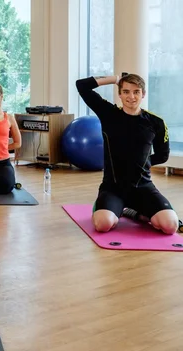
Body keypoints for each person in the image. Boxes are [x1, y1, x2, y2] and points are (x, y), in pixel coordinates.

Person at [76, 73, 180, 235]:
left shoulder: (156, 122)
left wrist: (140, 164)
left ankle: (135, 214)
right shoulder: (108, 113)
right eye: (126, 91)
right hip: (113, 188)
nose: (131, 96)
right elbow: (81, 85)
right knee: (103, 224)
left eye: (136, 92)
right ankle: (113, 209)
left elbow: (162, 155)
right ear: (120, 94)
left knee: (170, 226)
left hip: (143, 187)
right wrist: (115, 79)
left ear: (143, 94)